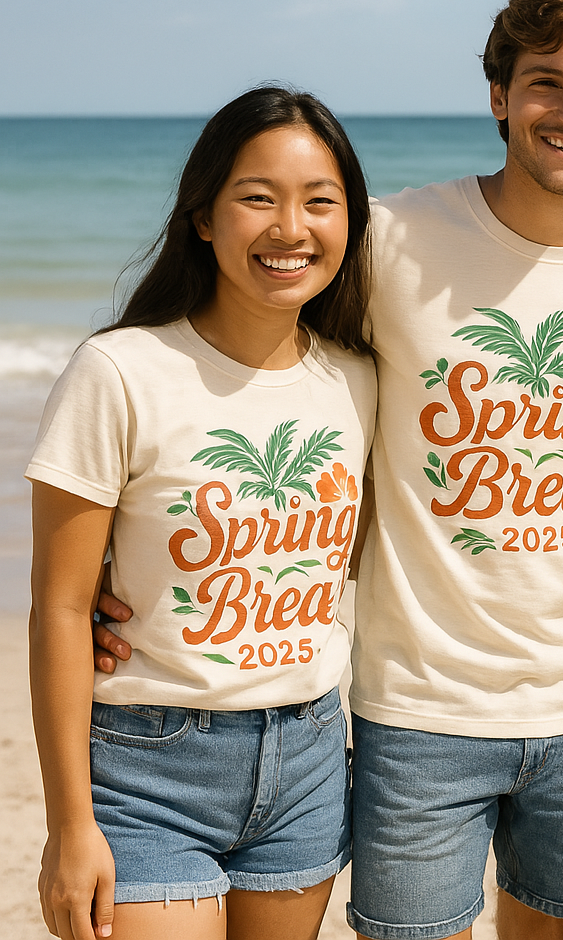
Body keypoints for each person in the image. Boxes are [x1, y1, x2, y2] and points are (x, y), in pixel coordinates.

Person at [90, 0, 563, 940]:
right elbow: (245, 360)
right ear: (499, 93)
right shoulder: (389, 240)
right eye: (545, 82)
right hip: (414, 709)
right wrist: (123, 547)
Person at [29, 86, 375, 940]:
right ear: (205, 219)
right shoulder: (119, 373)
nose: (290, 228)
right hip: (148, 770)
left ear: (351, 223)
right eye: (257, 197)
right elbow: (64, 608)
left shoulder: (359, 380)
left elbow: (352, 558)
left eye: (319, 202)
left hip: (308, 759)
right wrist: (70, 827)